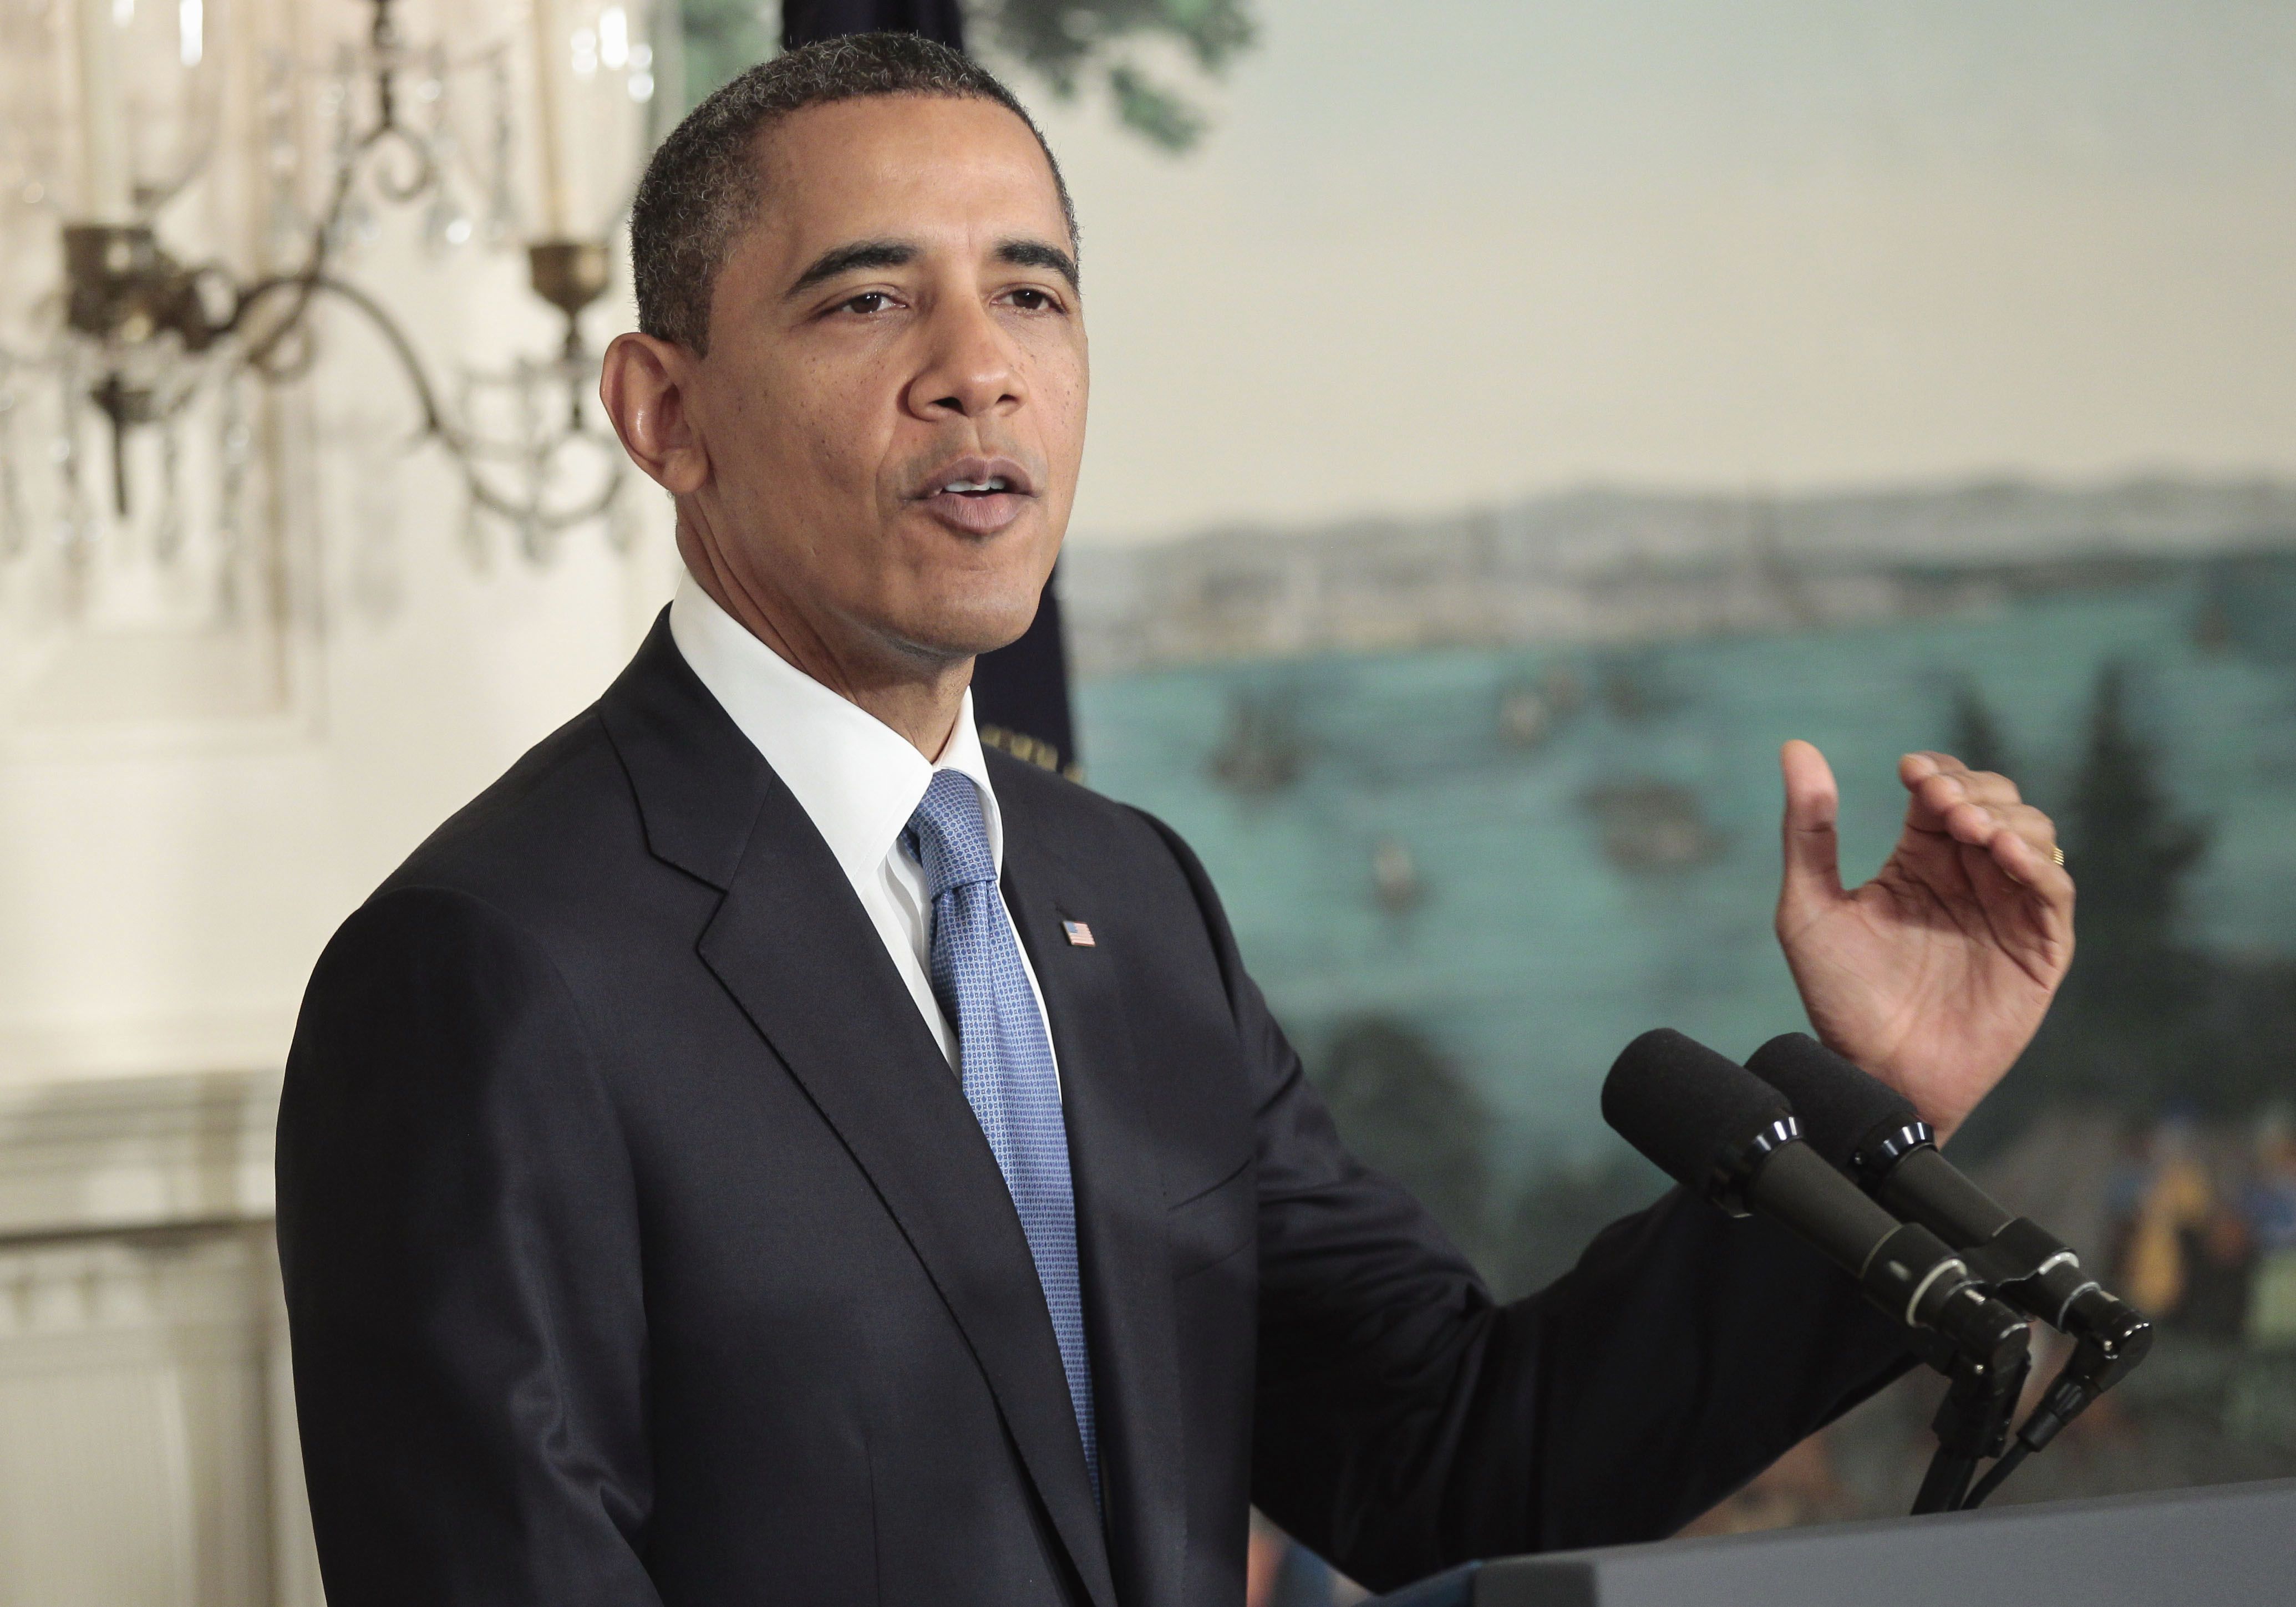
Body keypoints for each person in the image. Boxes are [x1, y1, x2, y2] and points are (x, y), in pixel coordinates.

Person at [275, 33, 2077, 1607]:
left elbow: (1452, 1452)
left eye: (1035, 295)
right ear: (666, 414)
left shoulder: (1121, 899)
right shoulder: (489, 968)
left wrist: (1879, 1105)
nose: (978, 369)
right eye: (868, 297)